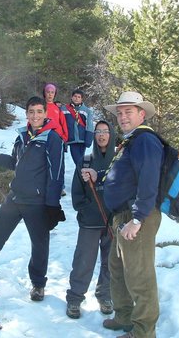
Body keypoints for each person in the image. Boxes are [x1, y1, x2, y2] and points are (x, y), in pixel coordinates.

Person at [81, 91, 163, 338]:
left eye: (129, 111)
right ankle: (124, 317)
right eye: (120, 112)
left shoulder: (146, 140)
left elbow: (149, 182)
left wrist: (137, 220)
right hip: (122, 216)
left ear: (142, 114)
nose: (123, 116)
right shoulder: (130, 141)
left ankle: (143, 332)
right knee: (118, 269)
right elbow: (123, 175)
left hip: (136, 216)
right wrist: (99, 177)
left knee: (140, 276)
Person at [0, 96, 66, 302]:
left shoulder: (53, 139)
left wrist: (52, 206)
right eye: (31, 111)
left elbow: (57, 175)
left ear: (45, 114)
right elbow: (14, 162)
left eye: (39, 111)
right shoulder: (22, 137)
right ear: (26, 114)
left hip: (37, 202)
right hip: (15, 197)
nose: (35, 115)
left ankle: (37, 284)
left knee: (39, 244)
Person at [65, 120, 116, 319]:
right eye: (98, 132)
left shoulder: (119, 161)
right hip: (90, 221)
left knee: (110, 262)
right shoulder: (85, 161)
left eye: (106, 131)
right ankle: (75, 299)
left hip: (113, 220)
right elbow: (77, 193)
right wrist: (84, 209)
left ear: (111, 135)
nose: (102, 135)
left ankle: (105, 295)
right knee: (83, 261)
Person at [42, 83, 68, 196]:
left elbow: (63, 124)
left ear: (55, 94)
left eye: (52, 92)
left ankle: (60, 187)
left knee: (59, 165)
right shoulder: (40, 107)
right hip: (44, 138)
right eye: (48, 92)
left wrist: (64, 137)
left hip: (57, 140)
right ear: (44, 93)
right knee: (45, 164)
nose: (50, 94)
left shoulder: (58, 109)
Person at [62, 88, 94, 167]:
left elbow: (89, 125)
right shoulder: (64, 109)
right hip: (72, 140)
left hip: (82, 139)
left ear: (81, 99)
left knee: (80, 161)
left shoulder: (87, 111)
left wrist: (89, 139)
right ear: (71, 97)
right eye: (75, 96)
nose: (76, 98)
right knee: (78, 161)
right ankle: (84, 175)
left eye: (79, 97)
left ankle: (83, 175)